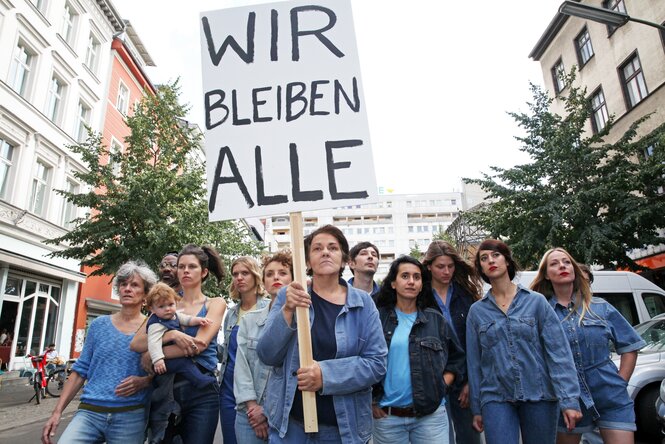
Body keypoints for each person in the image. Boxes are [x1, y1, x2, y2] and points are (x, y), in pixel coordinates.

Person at [257, 225, 388, 443]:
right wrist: (287, 311)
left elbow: (376, 364)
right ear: (307, 261)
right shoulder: (288, 296)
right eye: (317, 248)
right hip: (290, 428)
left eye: (333, 247)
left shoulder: (363, 303)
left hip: (341, 430)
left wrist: (325, 375)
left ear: (345, 259)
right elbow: (267, 355)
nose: (325, 252)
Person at [466, 239, 582, 444]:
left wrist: (570, 400)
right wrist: (477, 407)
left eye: (496, 255)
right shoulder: (477, 312)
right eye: (484, 258)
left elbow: (559, 353)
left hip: (539, 395)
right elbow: (474, 364)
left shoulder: (535, 302)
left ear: (507, 261)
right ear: (481, 268)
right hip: (496, 397)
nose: (490, 260)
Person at [531, 248, 645, 444]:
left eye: (566, 262)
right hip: (567, 399)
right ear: (546, 275)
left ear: (574, 269)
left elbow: (629, 346)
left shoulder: (600, 307)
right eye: (554, 264)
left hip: (610, 395)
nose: (562, 266)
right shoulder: (541, 312)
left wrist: (620, 383)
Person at [41, 261, 157, 444]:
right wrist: (57, 412)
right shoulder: (98, 325)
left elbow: (163, 370)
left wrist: (146, 381)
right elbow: (80, 370)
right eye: (123, 284)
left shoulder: (152, 327)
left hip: (130, 415)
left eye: (134, 285)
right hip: (89, 412)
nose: (127, 288)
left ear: (145, 294)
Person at [131, 244, 227, 444]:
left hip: (202, 391)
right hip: (166, 390)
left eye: (192, 267)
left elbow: (197, 346)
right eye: (181, 266)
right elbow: (137, 343)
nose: (185, 271)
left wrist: (154, 354)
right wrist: (171, 335)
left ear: (204, 272)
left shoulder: (215, 303)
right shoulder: (166, 302)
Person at [372, 255, 465, 444]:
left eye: (416, 277)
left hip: (430, 417)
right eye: (405, 276)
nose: (411, 282)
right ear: (393, 283)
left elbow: (457, 358)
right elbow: (365, 359)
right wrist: (371, 400)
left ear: (422, 284)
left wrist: (442, 385)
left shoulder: (435, 320)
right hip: (387, 418)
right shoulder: (377, 318)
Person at [422, 240, 482, 444]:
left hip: (465, 378)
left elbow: (475, 343)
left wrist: (469, 381)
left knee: (470, 437)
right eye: (440, 266)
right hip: (433, 379)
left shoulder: (466, 295)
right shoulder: (420, 297)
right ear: (428, 266)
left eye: (450, 266)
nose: (446, 271)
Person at [234, 251, 294, 443]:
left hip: (287, 416)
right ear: (264, 281)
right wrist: (254, 409)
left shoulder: (304, 320)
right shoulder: (249, 320)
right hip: (249, 416)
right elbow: (241, 368)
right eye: (269, 274)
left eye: (283, 272)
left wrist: (267, 410)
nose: (275, 277)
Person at [219, 256, 270, 444]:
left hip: (257, 393)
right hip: (228, 391)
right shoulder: (231, 313)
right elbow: (227, 352)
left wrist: (259, 405)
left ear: (256, 275)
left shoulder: (270, 308)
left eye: (245, 273)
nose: (239, 277)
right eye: (235, 274)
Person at [145, 282, 215, 387]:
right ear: (152, 309)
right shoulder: (156, 324)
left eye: (171, 304)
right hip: (164, 361)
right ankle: (199, 381)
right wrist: (157, 360)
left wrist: (199, 320)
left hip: (172, 356)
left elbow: (187, 319)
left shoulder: (174, 315)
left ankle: (197, 379)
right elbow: (153, 342)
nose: (167, 309)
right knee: (184, 364)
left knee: (186, 364)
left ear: (176, 302)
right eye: (161, 306)